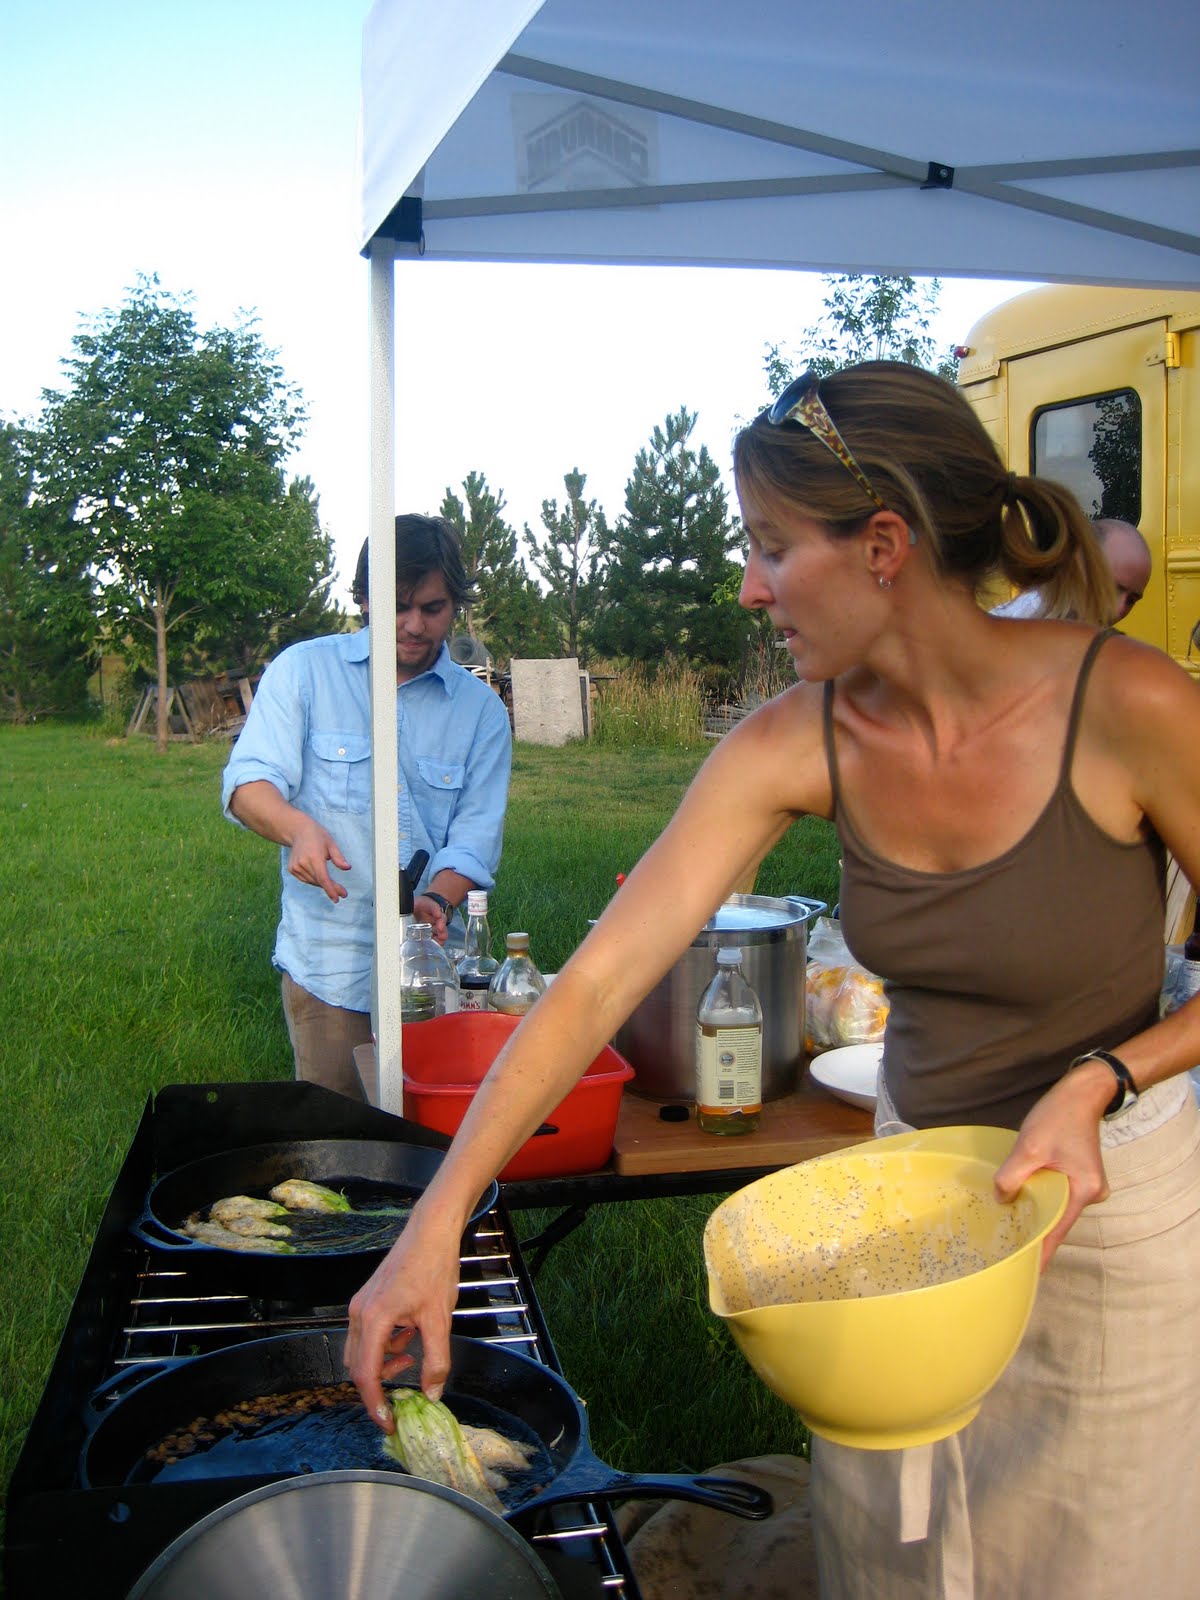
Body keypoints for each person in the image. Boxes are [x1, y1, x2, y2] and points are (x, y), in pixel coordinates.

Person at [345, 365, 1200, 1598]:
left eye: (770, 548)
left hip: (1112, 1221)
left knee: (1096, 1563)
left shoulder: (1126, 704)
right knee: (893, 1564)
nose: (747, 588)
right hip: (913, 1219)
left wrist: (1107, 1074)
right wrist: (435, 1224)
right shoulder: (795, 739)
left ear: (885, 547)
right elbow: (590, 989)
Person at [222, 513, 512, 1100]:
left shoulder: (481, 711)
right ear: (362, 600)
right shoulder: (303, 672)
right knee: (340, 1144)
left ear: (455, 604)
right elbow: (247, 784)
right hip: (329, 965)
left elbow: (475, 837)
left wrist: (438, 896)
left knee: (432, 1144)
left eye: (431, 608)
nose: (412, 625)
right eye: (395, 605)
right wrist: (297, 828)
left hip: (436, 972)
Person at [992, 514, 1150, 622]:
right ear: (1078, 566)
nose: (1118, 609)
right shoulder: (1021, 630)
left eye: (1131, 600)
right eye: (1112, 589)